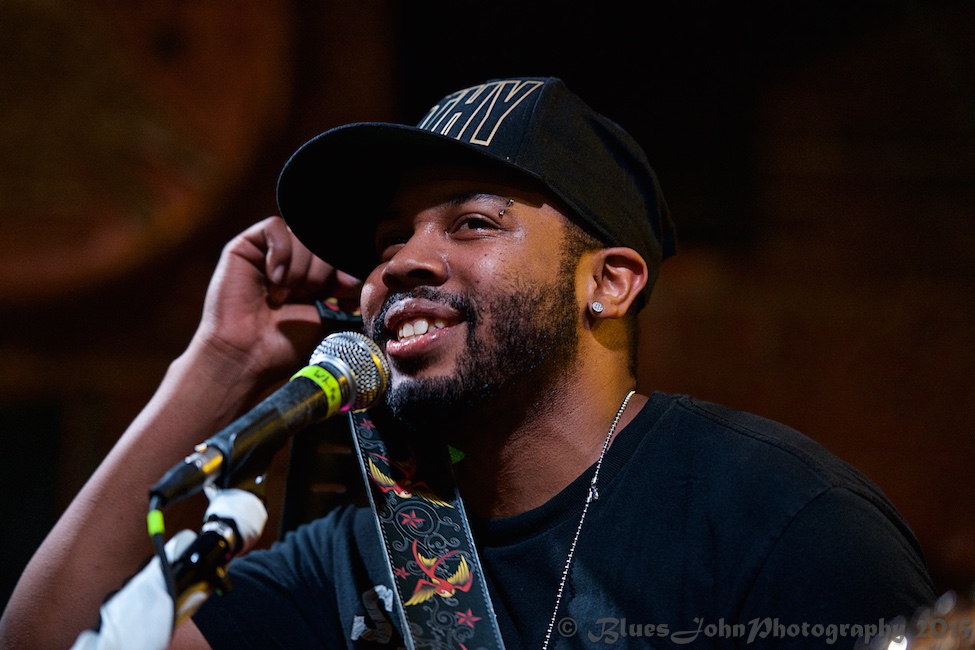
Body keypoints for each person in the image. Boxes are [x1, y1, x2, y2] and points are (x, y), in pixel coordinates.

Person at [1, 77, 935, 649]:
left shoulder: (782, 524)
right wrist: (220, 364)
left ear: (607, 284)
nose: (399, 260)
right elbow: (49, 643)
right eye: (385, 240)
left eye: (473, 222)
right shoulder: (360, 552)